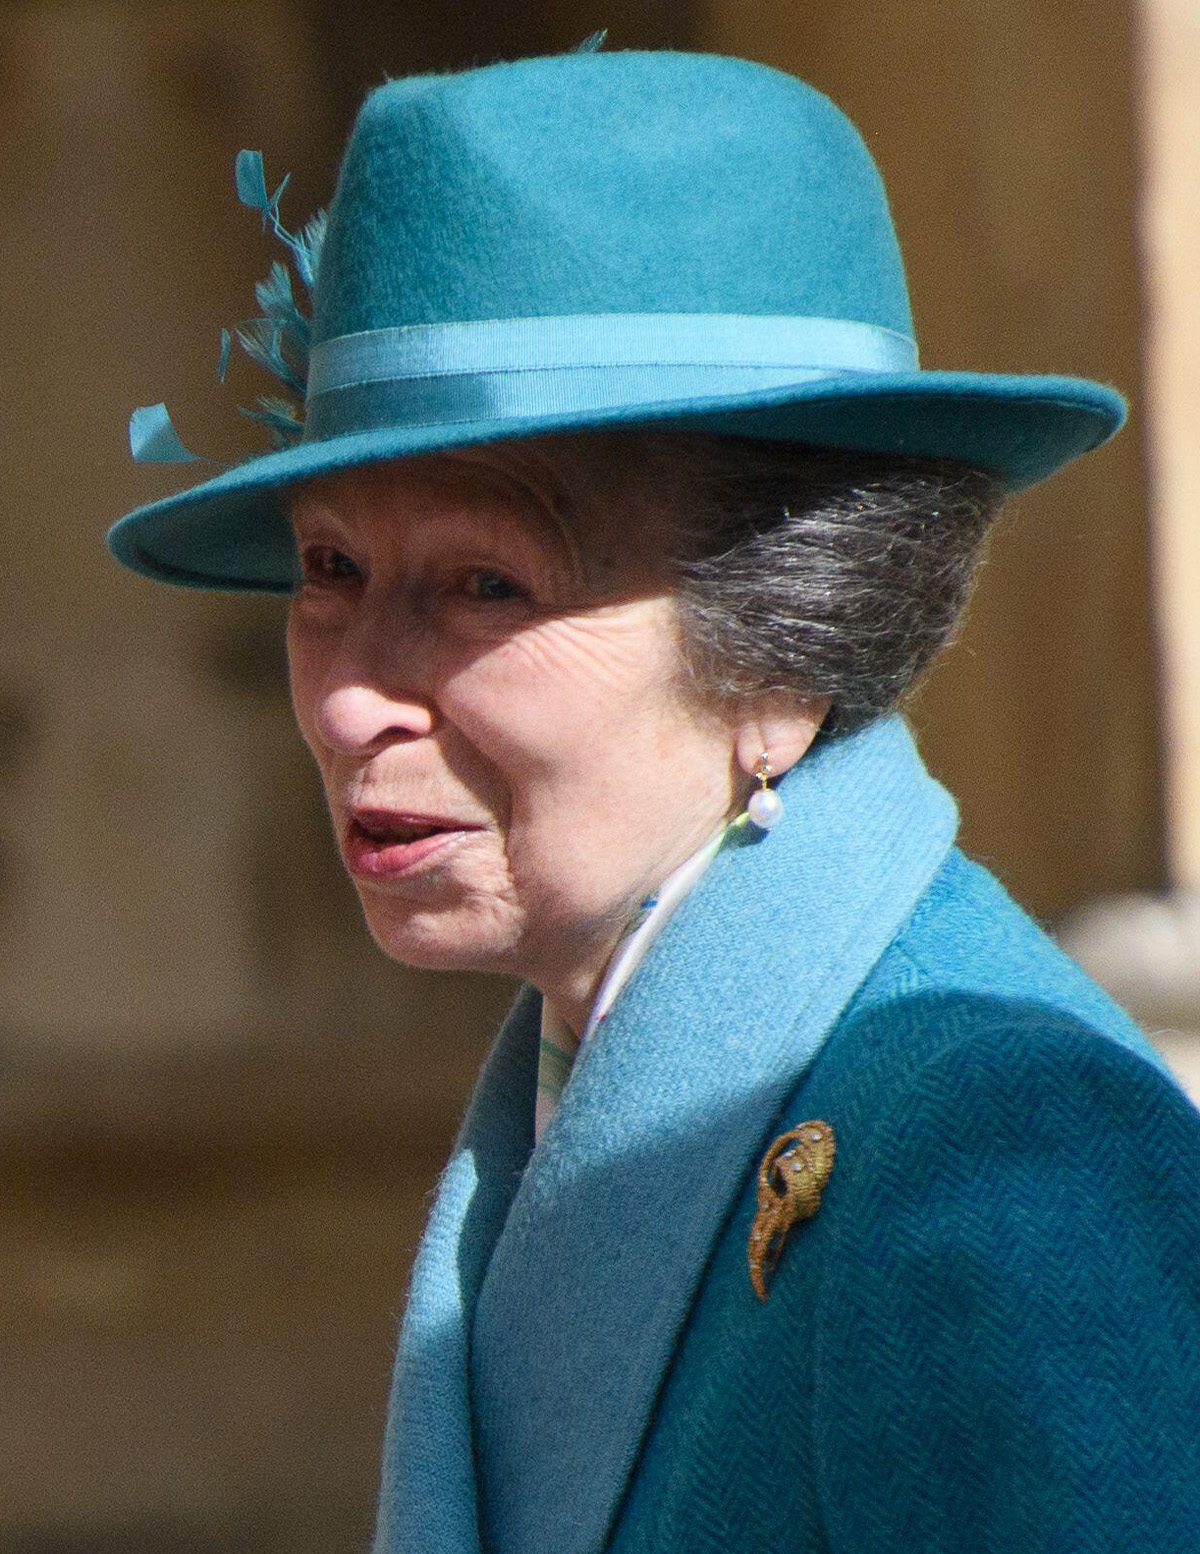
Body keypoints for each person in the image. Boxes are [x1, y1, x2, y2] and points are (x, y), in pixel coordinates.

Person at [106, 44, 1200, 1554]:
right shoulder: (585, 1078)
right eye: (329, 572)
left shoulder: (996, 1143)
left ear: (782, 659)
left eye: (483, 584)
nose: (353, 698)